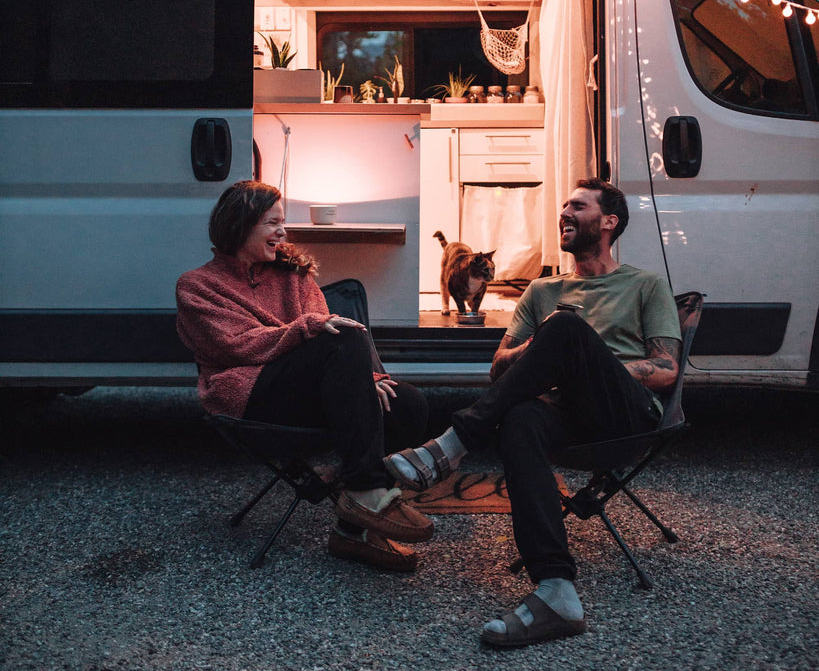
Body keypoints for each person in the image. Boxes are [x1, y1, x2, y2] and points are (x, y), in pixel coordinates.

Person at [385, 178, 681, 646]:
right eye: (563, 205)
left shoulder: (644, 284)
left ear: (609, 222)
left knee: (566, 328)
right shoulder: (542, 289)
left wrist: (580, 357)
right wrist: (540, 351)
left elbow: (666, 370)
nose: (564, 212)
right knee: (521, 416)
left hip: (622, 414)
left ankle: (452, 445)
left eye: (577, 206)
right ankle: (556, 590)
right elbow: (498, 368)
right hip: (563, 413)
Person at [176, 180, 433, 573]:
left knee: (409, 403)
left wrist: (369, 380)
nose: (282, 232)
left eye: (283, 222)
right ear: (238, 224)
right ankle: (366, 490)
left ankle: (352, 530)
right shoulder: (197, 286)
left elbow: (330, 342)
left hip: (313, 391)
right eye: (271, 222)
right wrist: (304, 330)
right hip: (249, 393)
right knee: (337, 333)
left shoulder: (293, 275)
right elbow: (237, 346)